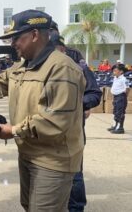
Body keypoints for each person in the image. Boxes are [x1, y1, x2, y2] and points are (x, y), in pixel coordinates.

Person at [0, 10, 86, 212]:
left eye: (16, 38)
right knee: (30, 206)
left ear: (35, 35)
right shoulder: (22, 66)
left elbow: (54, 121)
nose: (13, 44)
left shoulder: (61, 69)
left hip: (52, 160)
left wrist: (13, 130)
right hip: (28, 152)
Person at [51, 33, 102, 212]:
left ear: (62, 48)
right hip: (44, 134)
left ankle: (76, 208)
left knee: (75, 175)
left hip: (71, 132)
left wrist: (76, 105)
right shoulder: (34, 58)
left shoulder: (75, 58)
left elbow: (94, 93)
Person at [108, 64, 128, 134]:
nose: (114, 72)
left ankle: (120, 128)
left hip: (121, 97)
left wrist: (123, 97)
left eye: (115, 71)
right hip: (116, 97)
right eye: (113, 71)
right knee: (115, 112)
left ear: (121, 71)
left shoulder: (123, 79)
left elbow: (127, 89)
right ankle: (115, 125)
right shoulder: (115, 78)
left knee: (120, 112)